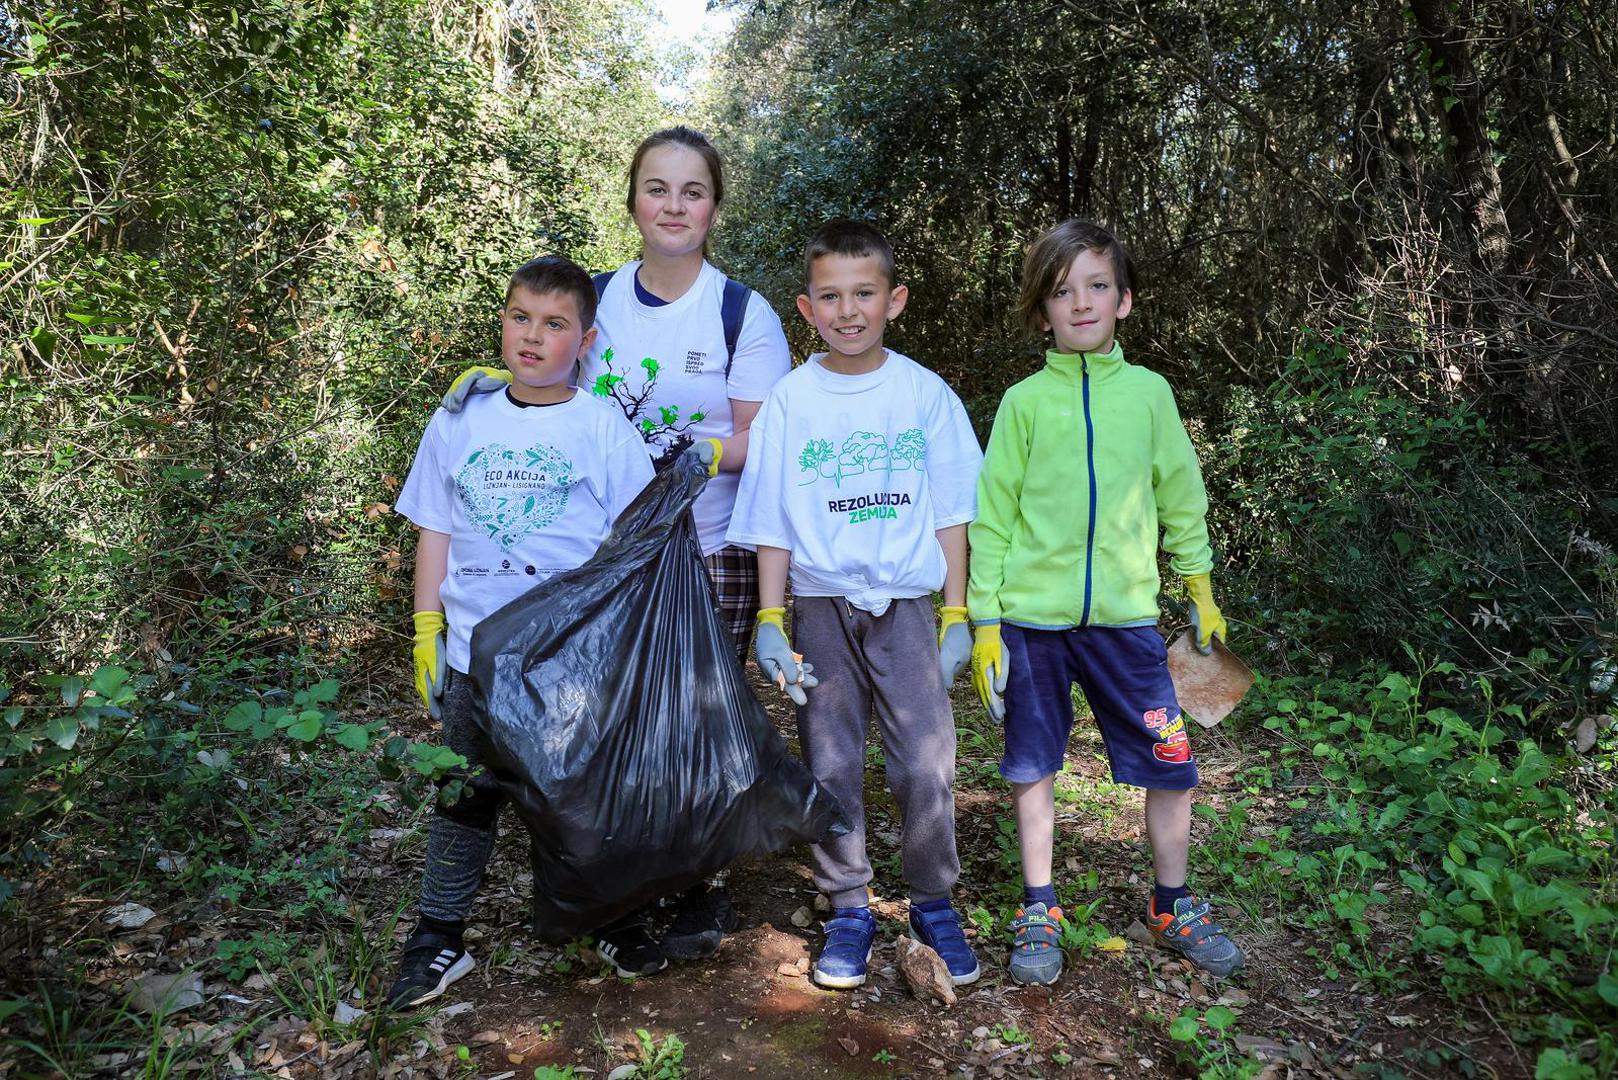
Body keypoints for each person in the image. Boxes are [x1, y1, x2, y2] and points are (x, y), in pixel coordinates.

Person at [442, 126, 792, 974]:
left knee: (695, 721)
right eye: (657, 188)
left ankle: (699, 884)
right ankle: (621, 889)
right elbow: (548, 376)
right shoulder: (595, 301)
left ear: (714, 207)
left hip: (703, 545)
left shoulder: (741, 312)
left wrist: (708, 451)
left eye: (693, 191)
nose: (674, 206)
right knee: (612, 730)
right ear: (633, 199)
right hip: (597, 559)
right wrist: (491, 384)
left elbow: (771, 437)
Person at [967, 219, 1246, 986]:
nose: (1081, 302)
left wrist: (1200, 588)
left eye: (1096, 286)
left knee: (1169, 758)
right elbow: (992, 516)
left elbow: (1180, 494)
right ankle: (1038, 905)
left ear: (1124, 301)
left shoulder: (1150, 394)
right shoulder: (1023, 404)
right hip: (1032, 624)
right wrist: (984, 621)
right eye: (1063, 292)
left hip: (1126, 621)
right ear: (1042, 311)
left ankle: (1173, 902)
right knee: (1032, 763)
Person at [389, 255, 667, 1007]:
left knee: (583, 796)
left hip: (565, 658)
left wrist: (617, 650)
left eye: (555, 324)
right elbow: (435, 529)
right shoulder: (459, 417)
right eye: (520, 318)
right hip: (473, 650)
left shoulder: (602, 425)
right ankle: (438, 937)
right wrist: (425, 628)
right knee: (465, 795)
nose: (533, 337)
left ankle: (618, 915)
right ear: (502, 322)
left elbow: (633, 547)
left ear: (586, 338)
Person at [727, 219, 984, 990]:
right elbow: (770, 515)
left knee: (926, 763)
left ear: (894, 300)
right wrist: (771, 620)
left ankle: (933, 900)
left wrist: (957, 611)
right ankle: (848, 905)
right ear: (806, 309)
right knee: (831, 761)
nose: (848, 311)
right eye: (830, 297)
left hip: (906, 605)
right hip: (822, 606)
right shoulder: (790, 402)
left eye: (863, 294)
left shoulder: (923, 394)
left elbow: (951, 511)